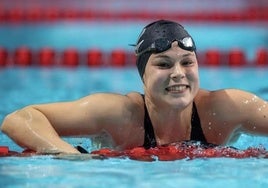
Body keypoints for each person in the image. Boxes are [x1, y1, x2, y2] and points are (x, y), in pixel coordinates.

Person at [1, 20, 268, 154]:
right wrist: (70, 156)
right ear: (142, 75)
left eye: (187, 62)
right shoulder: (118, 114)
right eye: (163, 65)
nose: (179, 74)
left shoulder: (225, 108)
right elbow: (19, 118)